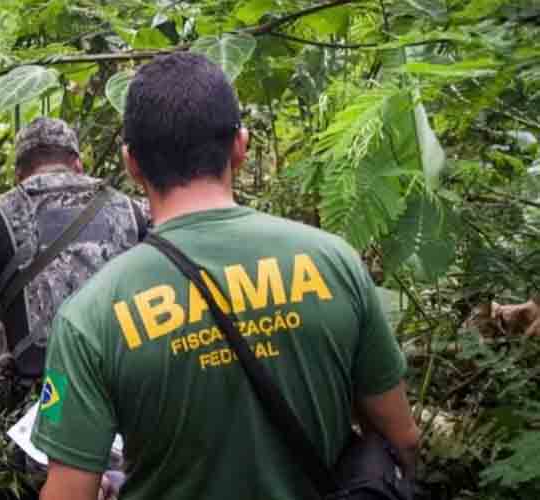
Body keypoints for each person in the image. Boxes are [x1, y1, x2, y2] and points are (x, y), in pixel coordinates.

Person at [32, 52, 419, 500]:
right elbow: (401, 440)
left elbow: (69, 493)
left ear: (132, 163)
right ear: (241, 145)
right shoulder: (334, 261)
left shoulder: (90, 315)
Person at [0, 117, 148, 494]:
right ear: (77, 163)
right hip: (133, 405)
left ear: (19, 173)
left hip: (42, 415)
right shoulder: (136, 212)